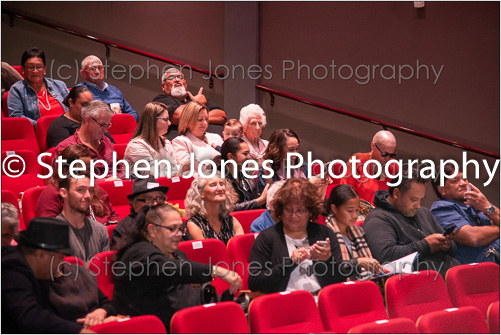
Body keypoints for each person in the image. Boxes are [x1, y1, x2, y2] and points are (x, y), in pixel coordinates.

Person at [113, 203, 242, 330]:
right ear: (152, 230)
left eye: (181, 228)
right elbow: (171, 270)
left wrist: (225, 302)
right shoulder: (139, 253)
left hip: (185, 324)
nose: (179, 234)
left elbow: (188, 294)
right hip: (148, 328)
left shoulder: (177, 254)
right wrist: (215, 270)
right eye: (172, 228)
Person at [248, 178, 347, 294]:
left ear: (310, 211)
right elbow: (255, 282)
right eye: (288, 210)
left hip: (321, 300)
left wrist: (328, 260)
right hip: (286, 302)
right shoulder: (266, 238)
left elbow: (341, 279)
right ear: (281, 210)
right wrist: (290, 263)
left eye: (300, 211)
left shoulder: (324, 234)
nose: (293, 216)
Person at [363, 169, 460, 278]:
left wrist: (446, 245)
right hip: (414, 284)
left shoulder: (424, 212)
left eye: (420, 200)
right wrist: (425, 246)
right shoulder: (377, 219)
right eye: (414, 199)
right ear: (396, 193)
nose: (418, 205)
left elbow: (453, 249)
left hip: (447, 274)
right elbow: (385, 257)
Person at [2, 217, 85, 333]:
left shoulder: (37, 270)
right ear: (41, 255)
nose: (62, 262)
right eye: (60, 257)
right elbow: (30, 316)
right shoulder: (11, 268)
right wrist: (78, 331)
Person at [431, 164, 500, 264]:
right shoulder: (441, 208)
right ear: (442, 189)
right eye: (455, 181)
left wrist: (487, 207)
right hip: (480, 270)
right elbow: (472, 237)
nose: (463, 183)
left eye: (465, 179)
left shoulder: (478, 202)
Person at [36, 144, 120, 225]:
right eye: (81, 169)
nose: (86, 173)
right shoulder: (51, 193)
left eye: (89, 168)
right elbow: (49, 229)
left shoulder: (95, 189)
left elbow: (114, 217)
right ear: (66, 169)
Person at [110, 175, 193, 249]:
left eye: (159, 198)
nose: (155, 203)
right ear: (134, 204)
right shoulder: (123, 231)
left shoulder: (174, 223)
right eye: (148, 199)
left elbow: (188, 250)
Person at [325, 184, 381, 279]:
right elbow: (332, 271)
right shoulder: (326, 235)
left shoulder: (359, 232)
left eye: (357, 210)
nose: (355, 215)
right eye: (350, 211)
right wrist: (358, 262)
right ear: (334, 209)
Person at [153, 67, 227, 139]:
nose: (177, 80)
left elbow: (221, 116)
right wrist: (197, 103)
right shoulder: (161, 100)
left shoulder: (198, 98)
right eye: (171, 77)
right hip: (184, 146)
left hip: (214, 143)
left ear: (185, 83)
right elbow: (179, 116)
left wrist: (195, 117)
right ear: (163, 86)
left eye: (180, 77)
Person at [55, 100, 120, 179]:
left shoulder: (106, 141)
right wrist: (105, 183)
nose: (106, 131)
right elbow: (67, 183)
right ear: (88, 120)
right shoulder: (66, 147)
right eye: (102, 125)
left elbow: (118, 170)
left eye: (108, 125)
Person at [7, 47, 68, 125]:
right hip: (39, 132)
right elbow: (16, 117)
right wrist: (41, 126)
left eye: (39, 67)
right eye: (30, 67)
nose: (35, 71)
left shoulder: (59, 85)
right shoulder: (17, 90)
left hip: (67, 129)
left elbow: (72, 109)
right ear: (23, 69)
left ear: (44, 69)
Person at [56, 174, 110, 263]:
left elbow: (104, 271)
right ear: (64, 193)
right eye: (80, 190)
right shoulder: (53, 232)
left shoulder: (100, 230)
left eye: (91, 190)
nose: (88, 195)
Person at [49, 261, 118, 329]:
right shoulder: (41, 285)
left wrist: (101, 312)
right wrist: (100, 323)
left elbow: (108, 303)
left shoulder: (80, 271)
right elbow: (52, 324)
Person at [46, 86, 115, 149]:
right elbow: (63, 154)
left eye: (91, 105)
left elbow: (111, 145)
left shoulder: (95, 121)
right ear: (71, 102)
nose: (89, 109)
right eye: (84, 105)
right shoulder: (59, 125)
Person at [340, 130, 398, 205]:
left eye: (391, 155)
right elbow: (344, 193)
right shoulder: (358, 161)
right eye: (384, 154)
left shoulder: (394, 166)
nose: (387, 158)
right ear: (373, 146)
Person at [185, 174, 244, 245]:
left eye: (221, 184)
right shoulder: (194, 224)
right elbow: (207, 252)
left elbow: (239, 248)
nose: (220, 188)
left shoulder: (232, 221)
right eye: (213, 185)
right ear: (201, 193)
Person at [124, 102, 179, 178]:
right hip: (144, 188)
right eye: (165, 119)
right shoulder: (136, 146)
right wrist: (181, 169)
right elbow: (154, 175)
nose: (169, 123)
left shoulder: (166, 143)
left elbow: (174, 170)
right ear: (152, 120)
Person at [78, 55, 138, 121]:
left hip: (121, 127)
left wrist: (123, 120)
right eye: (93, 68)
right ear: (83, 73)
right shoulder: (80, 91)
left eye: (100, 68)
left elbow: (133, 114)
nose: (97, 72)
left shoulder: (114, 90)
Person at [172, 101, 223, 172]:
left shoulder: (216, 137)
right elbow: (186, 171)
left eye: (206, 119)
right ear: (188, 120)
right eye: (200, 120)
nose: (205, 123)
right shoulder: (181, 141)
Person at [219, 137, 268, 211]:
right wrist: (258, 202)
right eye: (245, 154)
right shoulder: (218, 178)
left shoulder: (246, 173)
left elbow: (258, 198)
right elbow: (227, 208)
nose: (249, 157)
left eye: (249, 153)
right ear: (230, 156)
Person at [256, 128, 308, 192]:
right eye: (291, 150)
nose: (296, 154)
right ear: (278, 150)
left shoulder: (303, 166)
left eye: (297, 149)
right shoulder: (266, 171)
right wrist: (268, 180)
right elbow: (267, 200)